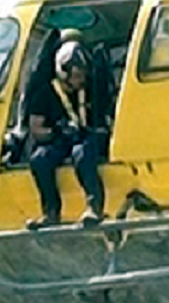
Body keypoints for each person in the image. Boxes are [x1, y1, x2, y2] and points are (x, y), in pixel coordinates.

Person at [22, 39, 108, 229]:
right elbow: (36, 129)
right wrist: (56, 132)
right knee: (40, 159)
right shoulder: (45, 94)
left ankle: (94, 208)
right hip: (60, 139)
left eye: (84, 75)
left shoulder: (93, 89)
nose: (82, 80)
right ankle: (50, 212)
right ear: (64, 73)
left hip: (87, 136)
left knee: (82, 154)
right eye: (78, 75)